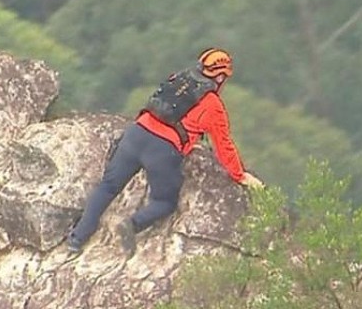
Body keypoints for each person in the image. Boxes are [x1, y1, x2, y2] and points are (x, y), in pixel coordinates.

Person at [67, 47, 264, 257]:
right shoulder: (212, 104)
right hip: (161, 150)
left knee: (108, 186)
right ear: (221, 76)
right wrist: (240, 175)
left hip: (136, 133)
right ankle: (132, 224)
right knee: (165, 201)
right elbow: (223, 145)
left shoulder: (178, 78)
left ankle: (77, 238)